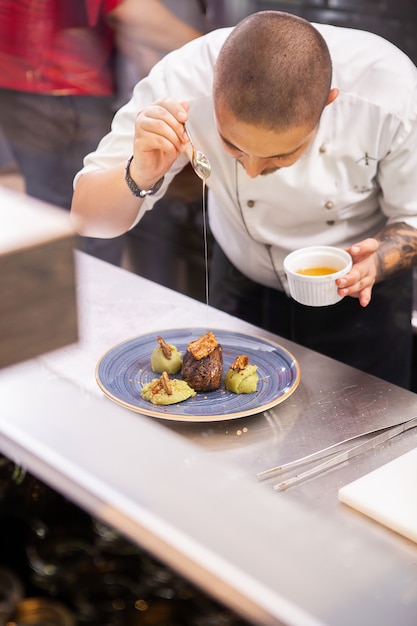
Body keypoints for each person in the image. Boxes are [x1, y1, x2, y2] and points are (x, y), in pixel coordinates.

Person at [71, 10, 417, 388]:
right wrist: (139, 172)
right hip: (242, 283)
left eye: (280, 156)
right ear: (213, 91)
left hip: (360, 294)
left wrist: (379, 260)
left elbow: (412, 218)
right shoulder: (182, 81)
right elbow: (87, 219)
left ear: (328, 103)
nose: (252, 170)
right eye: (233, 147)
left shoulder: (391, 94)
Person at [0, 0, 208, 264]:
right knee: (89, 228)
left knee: (53, 210)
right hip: (62, 85)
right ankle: (72, 298)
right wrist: (211, 50)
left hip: (23, 77)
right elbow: (127, 10)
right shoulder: (207, 53)